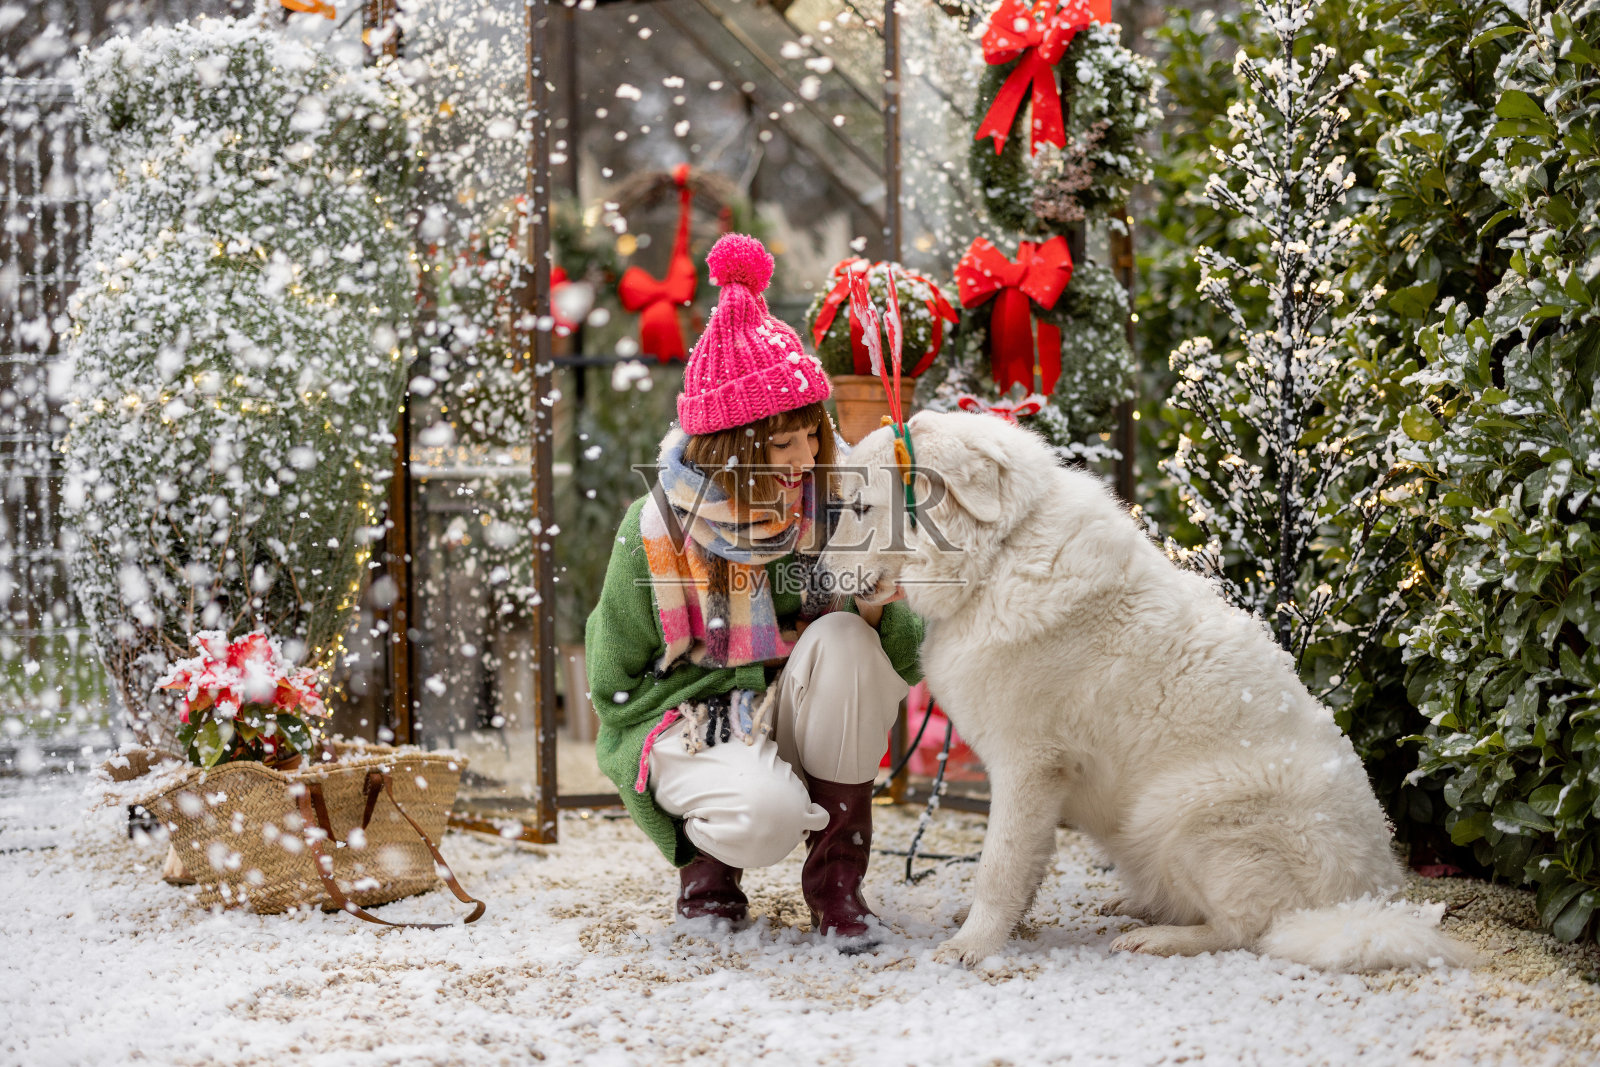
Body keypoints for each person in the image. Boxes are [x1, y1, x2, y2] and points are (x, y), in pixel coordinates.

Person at [584, 233, 924, 950]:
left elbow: (902, 661)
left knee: (846, 639)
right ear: (733, 446)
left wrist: (873, 605)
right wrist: (695, 731)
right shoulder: (657, 531)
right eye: (782, 444)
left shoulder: (836, 510)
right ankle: (708, 875)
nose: (806, 457)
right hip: (693, 722)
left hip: (800, 710)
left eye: (811, 433)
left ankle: (837, 889)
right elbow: (612, 682)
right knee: (763, 817)